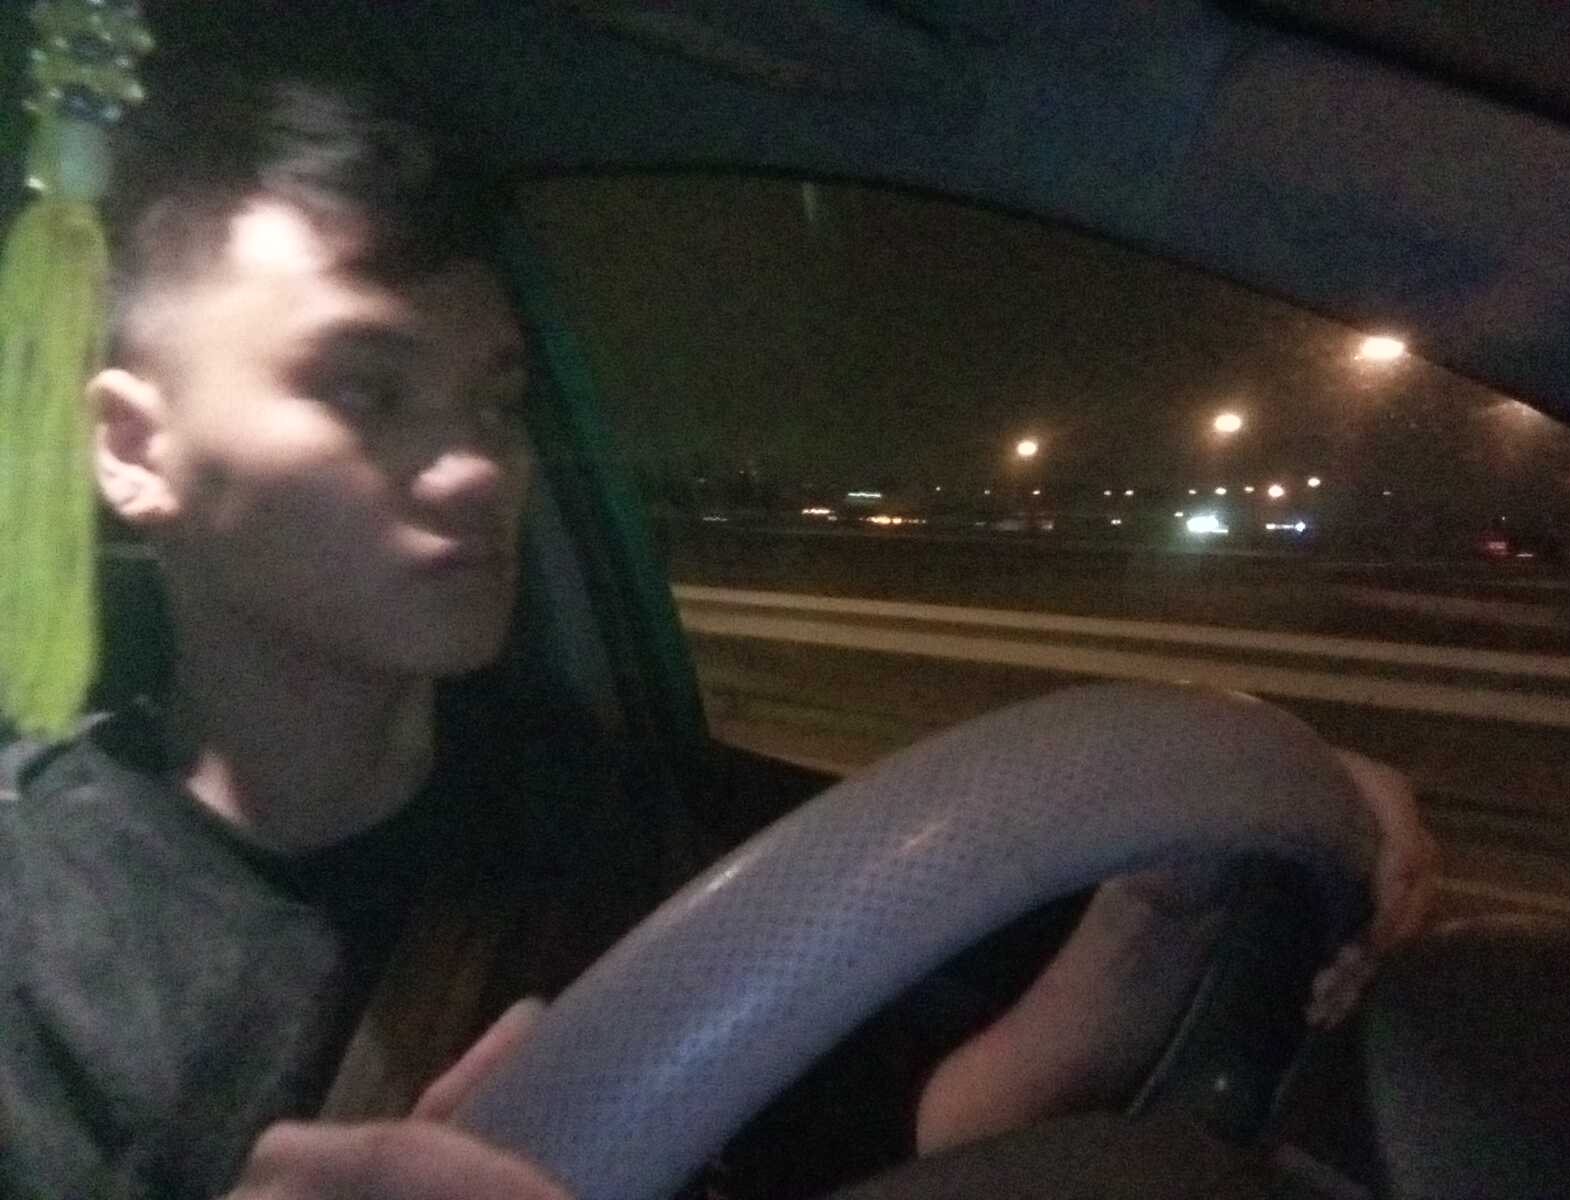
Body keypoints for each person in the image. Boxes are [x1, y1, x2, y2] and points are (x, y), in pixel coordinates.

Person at [0, 73, 1436, 1200]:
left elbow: (902, 1140)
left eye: (494, 399)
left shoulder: (592, 804)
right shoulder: (38, 927)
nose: (481, 468)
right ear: (132, 448)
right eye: (365, 390)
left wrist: (1182, 863)